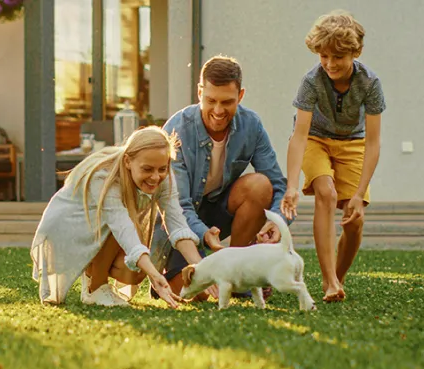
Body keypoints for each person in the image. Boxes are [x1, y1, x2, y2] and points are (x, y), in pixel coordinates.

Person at [150, 55, 289, 301]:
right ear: (199, 92)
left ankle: (237, 272)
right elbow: (178, 207)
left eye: (227, 102)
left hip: (219, 211)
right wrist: (204, 234)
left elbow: (278, 185)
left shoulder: (251, 125)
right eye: (210, 100)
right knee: (197, 294)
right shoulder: (177, 129)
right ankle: (196, 272)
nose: (218, 110)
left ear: (241, 96)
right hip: (179, 221)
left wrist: (276, 222)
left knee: (259, 186)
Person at [30, 126, 203, 308]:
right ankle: (95, 288)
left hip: (100, 228)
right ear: (128, 161)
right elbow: (122, 227)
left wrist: (204, 270)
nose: (155, 176)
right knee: (125, 234)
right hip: (67, 228)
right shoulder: (105, 177)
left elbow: (177, 225)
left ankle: (92, 276)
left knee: (134, 273)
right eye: (147, 169)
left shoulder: (163, 176)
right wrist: (155, 274)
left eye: (162, 168)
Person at [280, 10, 387, 303]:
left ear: (355, 51)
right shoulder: (312, 81)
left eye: (337, 57)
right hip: (316, 139)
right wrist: (291, 186)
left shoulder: (369, 83)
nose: (329, 63)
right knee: (325, 192)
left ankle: (337, 281)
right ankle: (328, 281)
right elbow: (299, 135)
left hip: (353, 142)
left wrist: (360, 191)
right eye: (323, 56)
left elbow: (374, 142)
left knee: (354, 220)